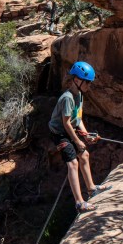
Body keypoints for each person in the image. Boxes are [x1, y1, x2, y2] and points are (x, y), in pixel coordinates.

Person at [49, 61, 111, 213]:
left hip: (68, 128)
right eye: (87, 82)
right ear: (77, 80)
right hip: (59, 132)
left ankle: (91, 189)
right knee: (73, 163)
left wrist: (87, 135)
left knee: (85, 155)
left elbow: (77, 119)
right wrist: (78, 140)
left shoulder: (79, 96)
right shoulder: (68, 98)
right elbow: (66, 124)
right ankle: (79, 203)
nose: (89, 85)